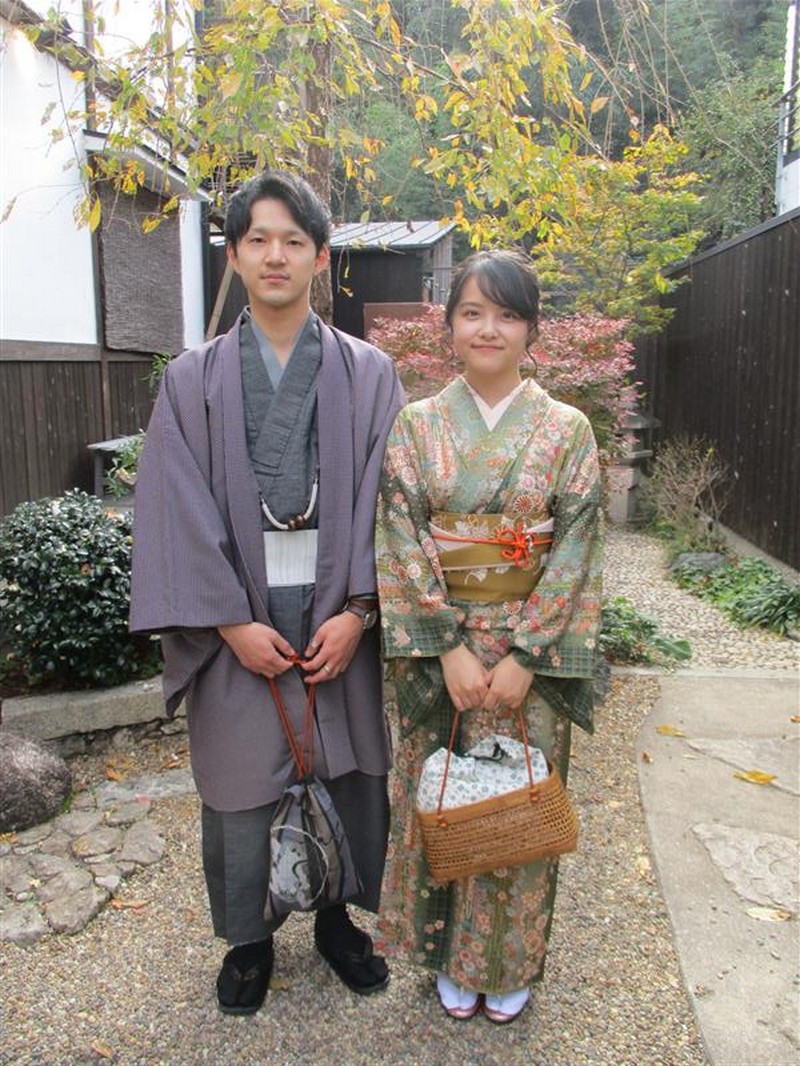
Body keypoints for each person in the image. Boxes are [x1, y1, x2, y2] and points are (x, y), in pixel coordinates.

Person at [129, 170, 405, 1015]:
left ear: (321, 257)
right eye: (258, 240)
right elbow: (174, 504)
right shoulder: (192, 379)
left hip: (338, 607)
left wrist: (360, 613)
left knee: (346, 762)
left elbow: (394, 500)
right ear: (235, 256)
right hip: (236, 613)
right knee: (243, 776)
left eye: (294, 240)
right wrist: (227, 622)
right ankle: (249, 941)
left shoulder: (370, 373)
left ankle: (338, 921)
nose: (275, 255)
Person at [374, 250, 602, 1024]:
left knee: (515, 805)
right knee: (442, 800)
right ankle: (450, 959)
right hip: (445, 650)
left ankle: (508, 963)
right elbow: (401, 536)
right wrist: (445, 645)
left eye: (507, 314)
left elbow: (576, 548)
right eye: (472, 312)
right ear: (448, 326)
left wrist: (530, 657)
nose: (488, 329)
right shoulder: (418, 426)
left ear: (532, 330)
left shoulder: (566, 430)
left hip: (527, 654)